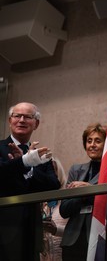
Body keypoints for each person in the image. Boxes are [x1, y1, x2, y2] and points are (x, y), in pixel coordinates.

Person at [0, 102, 60, 261]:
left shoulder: (41, 155)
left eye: (27, 117)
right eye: (17, 116)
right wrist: (24, 162)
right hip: (4, 227)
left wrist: (30, 167)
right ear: (9, 120)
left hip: (32, 229)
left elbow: (53, 186)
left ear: (36, 124)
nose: (21, 120)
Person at [59, 123, 106, 261]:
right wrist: (87, 194)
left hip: (99, 237)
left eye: (98, 141)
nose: (92, 145)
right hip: (72, 239)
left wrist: (85, 189)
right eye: (89, 141)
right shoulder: (76, 170)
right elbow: (64, 209)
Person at [40, 158, 68, 261]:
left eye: (52, 171)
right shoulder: (41, 203)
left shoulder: (67, 201)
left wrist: (56, 229)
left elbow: (76, 232)